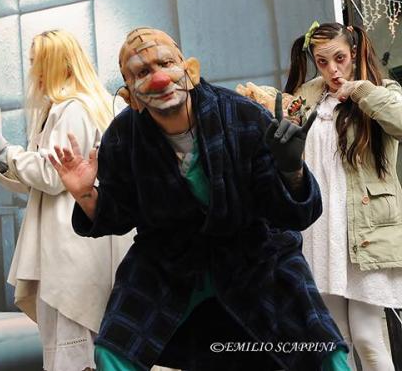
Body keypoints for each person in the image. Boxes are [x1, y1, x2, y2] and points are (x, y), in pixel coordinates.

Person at [49, 27, 348, 370]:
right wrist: (86, 192)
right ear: (130, 94)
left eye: (165, 63)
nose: (159, 78)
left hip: (254, 254)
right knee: (113, 352)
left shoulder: (243, 116)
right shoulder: (123, 136)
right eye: (142, 72)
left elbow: (292, 215)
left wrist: (291, 170)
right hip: (168, 260)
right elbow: (118, 214)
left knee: (326, 354)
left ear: (189, 69)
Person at [0, 29, 131, 371]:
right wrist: (0, 155)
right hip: (80, 240)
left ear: (60, 64)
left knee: (77, 347)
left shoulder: (73, 108)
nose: (34, 72)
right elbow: (45, 179)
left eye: (38, 63)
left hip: (72, 245)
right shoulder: (82, 105)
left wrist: (1, 150)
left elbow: (53, 175)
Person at [281, 21, 402, 370]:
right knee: (334, 340)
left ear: (354, 52)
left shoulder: (381, 90)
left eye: (340, 58)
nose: (333, 69)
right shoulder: (309, 95)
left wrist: (360, 90)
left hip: (365, 231)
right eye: (322, 62)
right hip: (320, 231)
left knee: (368, 337)